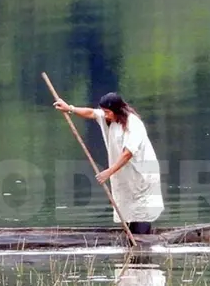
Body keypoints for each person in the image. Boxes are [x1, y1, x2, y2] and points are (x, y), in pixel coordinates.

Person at [53, 92, 164, 234]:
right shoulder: (108, 119)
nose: (105, 115)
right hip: (126, 175)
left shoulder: (133, 124)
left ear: (117, 110)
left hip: (142, 175)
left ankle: (141, 247)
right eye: (104, 112)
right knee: (129, 213)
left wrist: (109, 172)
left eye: (107, 112)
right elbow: (91, 113)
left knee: (142, 212)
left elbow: (128, 153)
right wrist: (70, 108)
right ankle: (134, 244)